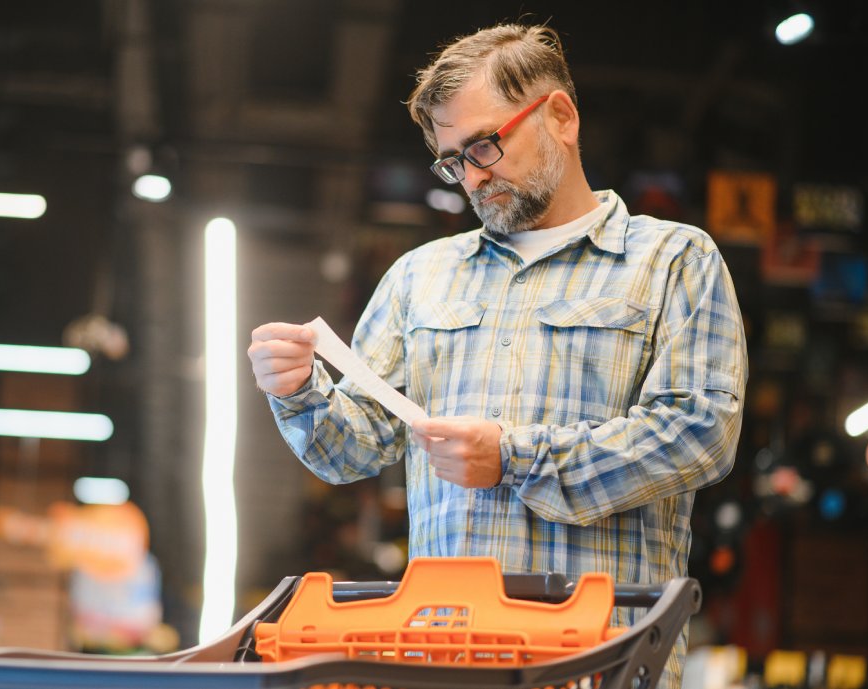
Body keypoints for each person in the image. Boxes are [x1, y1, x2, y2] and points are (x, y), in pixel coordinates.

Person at [248, 23, 747, 688]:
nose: (472, 178)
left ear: (560, 117)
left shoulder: (672, 261)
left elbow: (699, 433)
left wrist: (515, 457)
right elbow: (351, 450)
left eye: (484, 145)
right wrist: (298, 390)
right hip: (445, 660)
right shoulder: (418, 278)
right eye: (453, 161)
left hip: (602, 661)